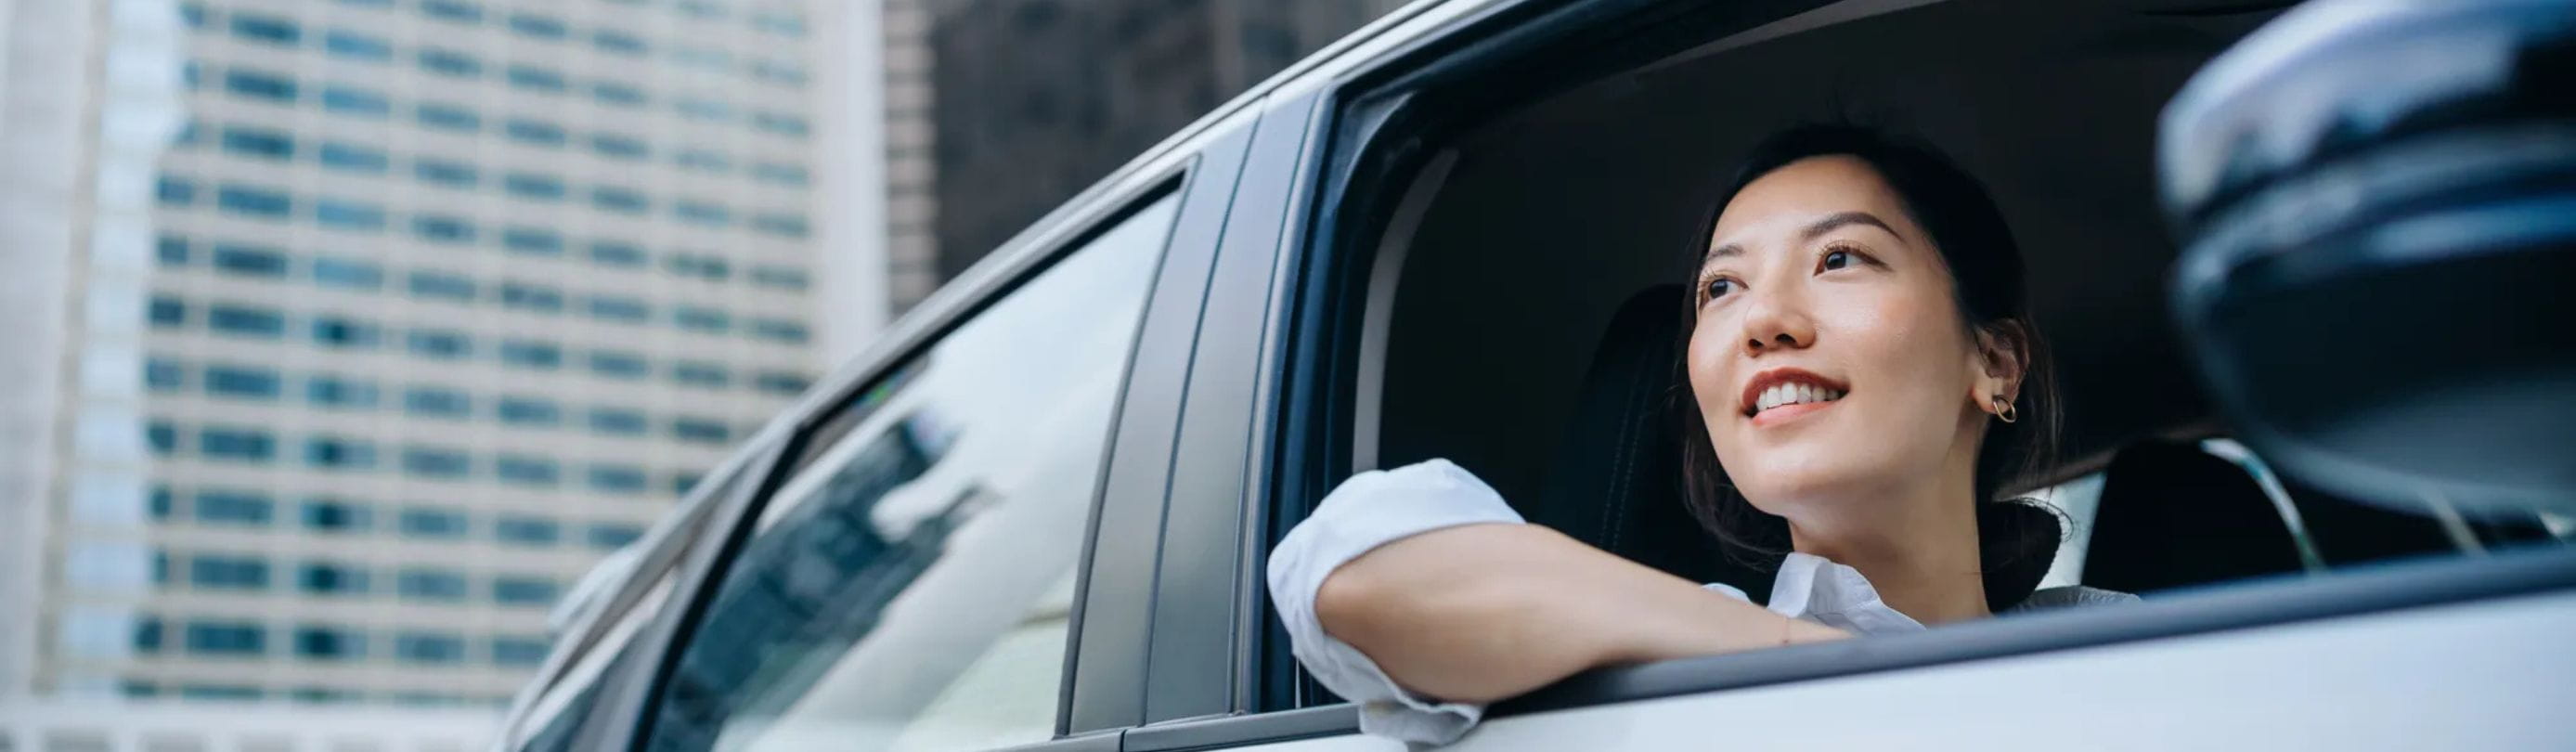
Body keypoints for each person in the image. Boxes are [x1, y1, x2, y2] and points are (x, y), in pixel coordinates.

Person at [1266, 124, 2135, 745]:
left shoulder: (2135, 651)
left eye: (1839, 258)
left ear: (1995, 363)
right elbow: (1348, 570)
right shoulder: (1661, 666)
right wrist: (1815, 664)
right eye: (1720, 289)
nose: (1762, 320)